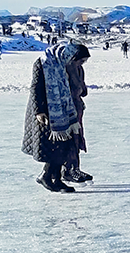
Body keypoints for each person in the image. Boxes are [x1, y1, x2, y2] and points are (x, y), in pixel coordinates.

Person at [21, 42, 85, 193]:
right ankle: (46, 176)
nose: (78, 64)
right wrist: (39, 111)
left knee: (64, 144)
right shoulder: (43, 62)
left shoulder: (61, 63)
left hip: (61, 111)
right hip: (45, 112)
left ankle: (55, 177)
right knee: (55, 146)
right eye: (78, 61)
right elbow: (36, 87)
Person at [62, 45, 92, 184]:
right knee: (68, 139)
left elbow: (82, 88)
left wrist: (82, 90)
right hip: (68, 109)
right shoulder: (65, 68)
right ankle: (67, 170)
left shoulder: (79, 69)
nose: (82, 64)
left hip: (77, 107)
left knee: (77, 138)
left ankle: (75, 167)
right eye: (81, 61)